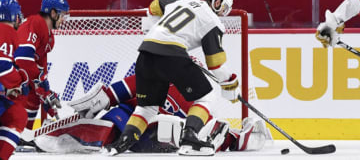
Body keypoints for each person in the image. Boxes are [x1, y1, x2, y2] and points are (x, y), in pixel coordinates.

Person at [104, 0, 242, 156]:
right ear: (218, 2)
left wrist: (158, 27)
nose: (223, 13)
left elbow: (155, 5)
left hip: (146, 52)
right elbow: (216, 65)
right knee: (206, 96)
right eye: (224, 9)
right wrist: (231, 85)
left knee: (147, 107)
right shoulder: (213, 22)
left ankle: (122, 142)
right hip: (172, 54)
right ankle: (190, 139)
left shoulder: (184, 1)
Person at [34, 74, 272, 154]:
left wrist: (231, 136)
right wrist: (99, 101)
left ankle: (77, 138)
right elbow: (113, 94)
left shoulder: (195, 100)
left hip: (145, 129)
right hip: (132, 119)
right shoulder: (152, 76)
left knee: (168, 127)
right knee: (115, 118)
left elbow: (214, 133)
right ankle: (73, 138)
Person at [14, 0, 69, 130]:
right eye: (62, 15)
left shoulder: (50, 38)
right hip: (8, 68)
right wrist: (41, 84)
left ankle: (23, 133)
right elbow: (22, 58)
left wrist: (45, 93)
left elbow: (40, 68)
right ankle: (12, 129)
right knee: (22, 89)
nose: (63, 19)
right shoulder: (36, 23)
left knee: (34, 95)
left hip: (18, 70)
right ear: (52, 13)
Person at [0, 0, 30, 160]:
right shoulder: (5, 31)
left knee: (15, 114)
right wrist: (18, 83)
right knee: (16, 115)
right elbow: (2, 65)